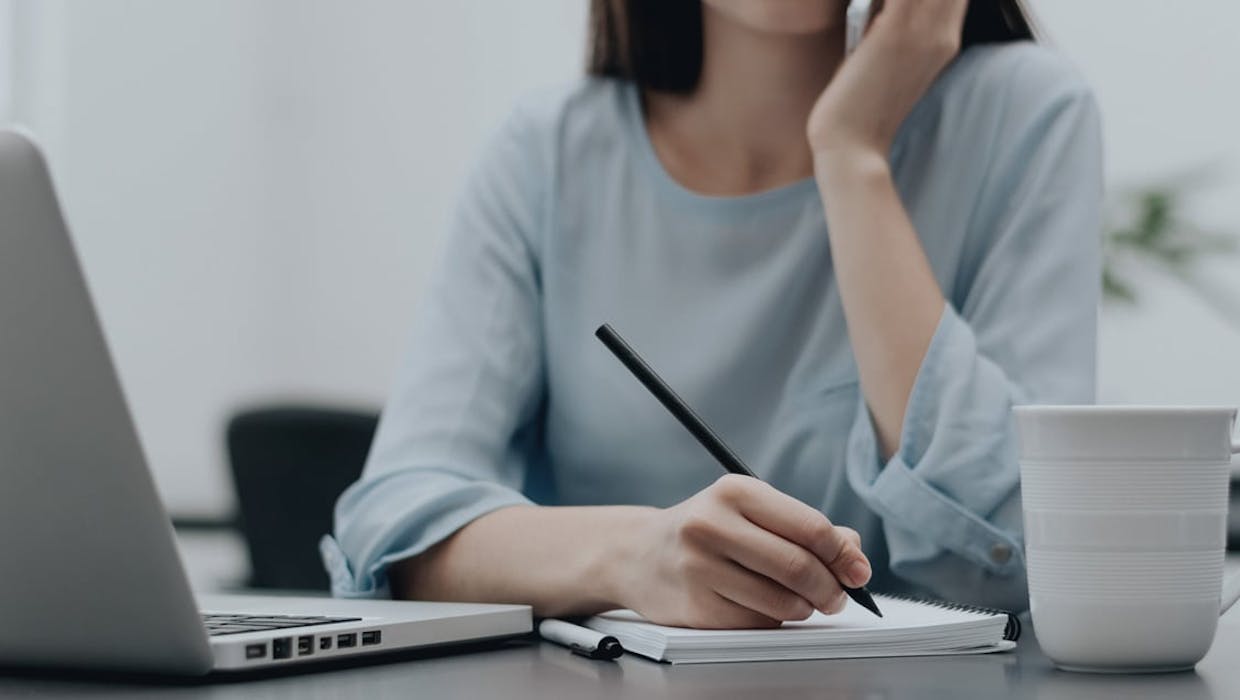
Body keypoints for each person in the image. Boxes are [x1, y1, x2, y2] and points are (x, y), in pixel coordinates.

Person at [322, 0, 1100, 626]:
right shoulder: (549, 153)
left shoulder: (1023, 113)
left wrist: (852, 154)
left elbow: (1018, 552)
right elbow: (395, 525)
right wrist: (632, 557)